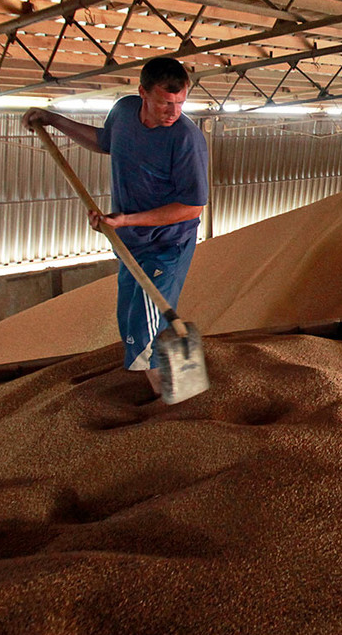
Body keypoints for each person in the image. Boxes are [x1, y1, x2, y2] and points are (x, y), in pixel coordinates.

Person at [24, 57, 209, 394]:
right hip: (129, 242)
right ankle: (163, 389)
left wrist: (125, 219)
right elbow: (105, 141)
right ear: (142, 93)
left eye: (180, 103)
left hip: (167, 245)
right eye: (165, 103)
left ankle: (176, 398)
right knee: (128, 320)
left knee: (146, 327)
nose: (173, 112)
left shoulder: (186, 139)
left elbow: (191, 207)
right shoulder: (124, 112)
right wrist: (54, 120)